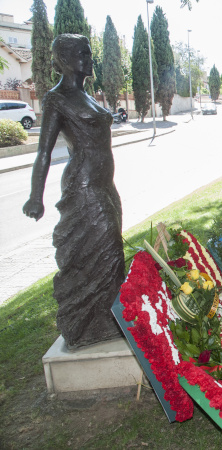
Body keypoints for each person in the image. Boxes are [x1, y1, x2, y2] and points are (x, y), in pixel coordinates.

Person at [23, 34, 124, 348]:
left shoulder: (88, 95)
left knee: (110, 253)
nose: (90, 58)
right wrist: (35, 196)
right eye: (84, 53)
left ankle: (109, 320)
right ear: (65, 60)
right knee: (105, 252)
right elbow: (43, 152)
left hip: (106, 185)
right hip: (84, 187)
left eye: (90, 53)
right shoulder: (56, 99)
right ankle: (85, 323)